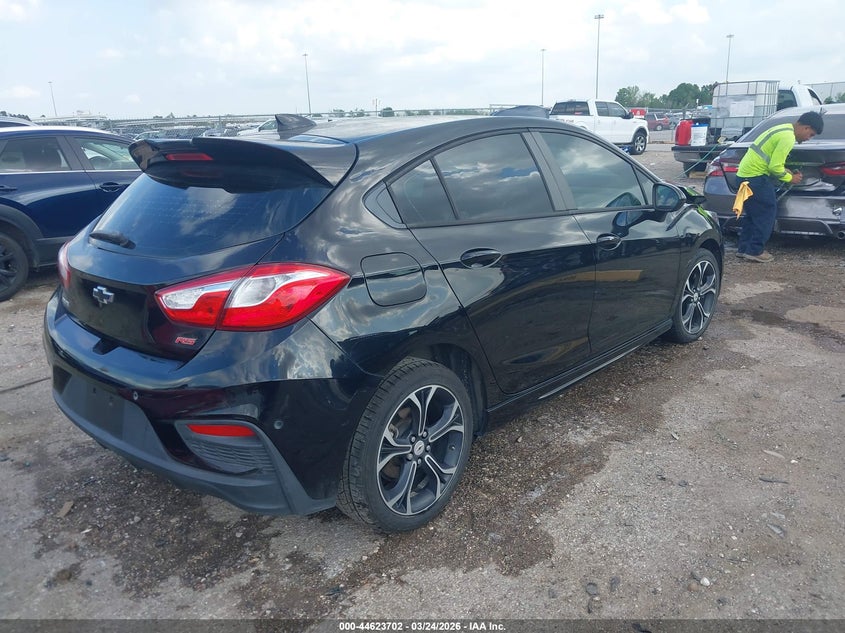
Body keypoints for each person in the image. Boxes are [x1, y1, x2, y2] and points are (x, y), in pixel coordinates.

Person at [735, 110, 824, 262]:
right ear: (806, 127)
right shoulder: (788, 138)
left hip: (744, 177)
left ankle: (744, 249)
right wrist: (791, 178)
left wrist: (785, 170)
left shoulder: (782, 128)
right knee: (766, 213)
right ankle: (755, 251)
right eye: (810, 135)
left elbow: (771, 160)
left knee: (753, 215)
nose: (808, 139)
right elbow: (774, 167)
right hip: (756, 179)